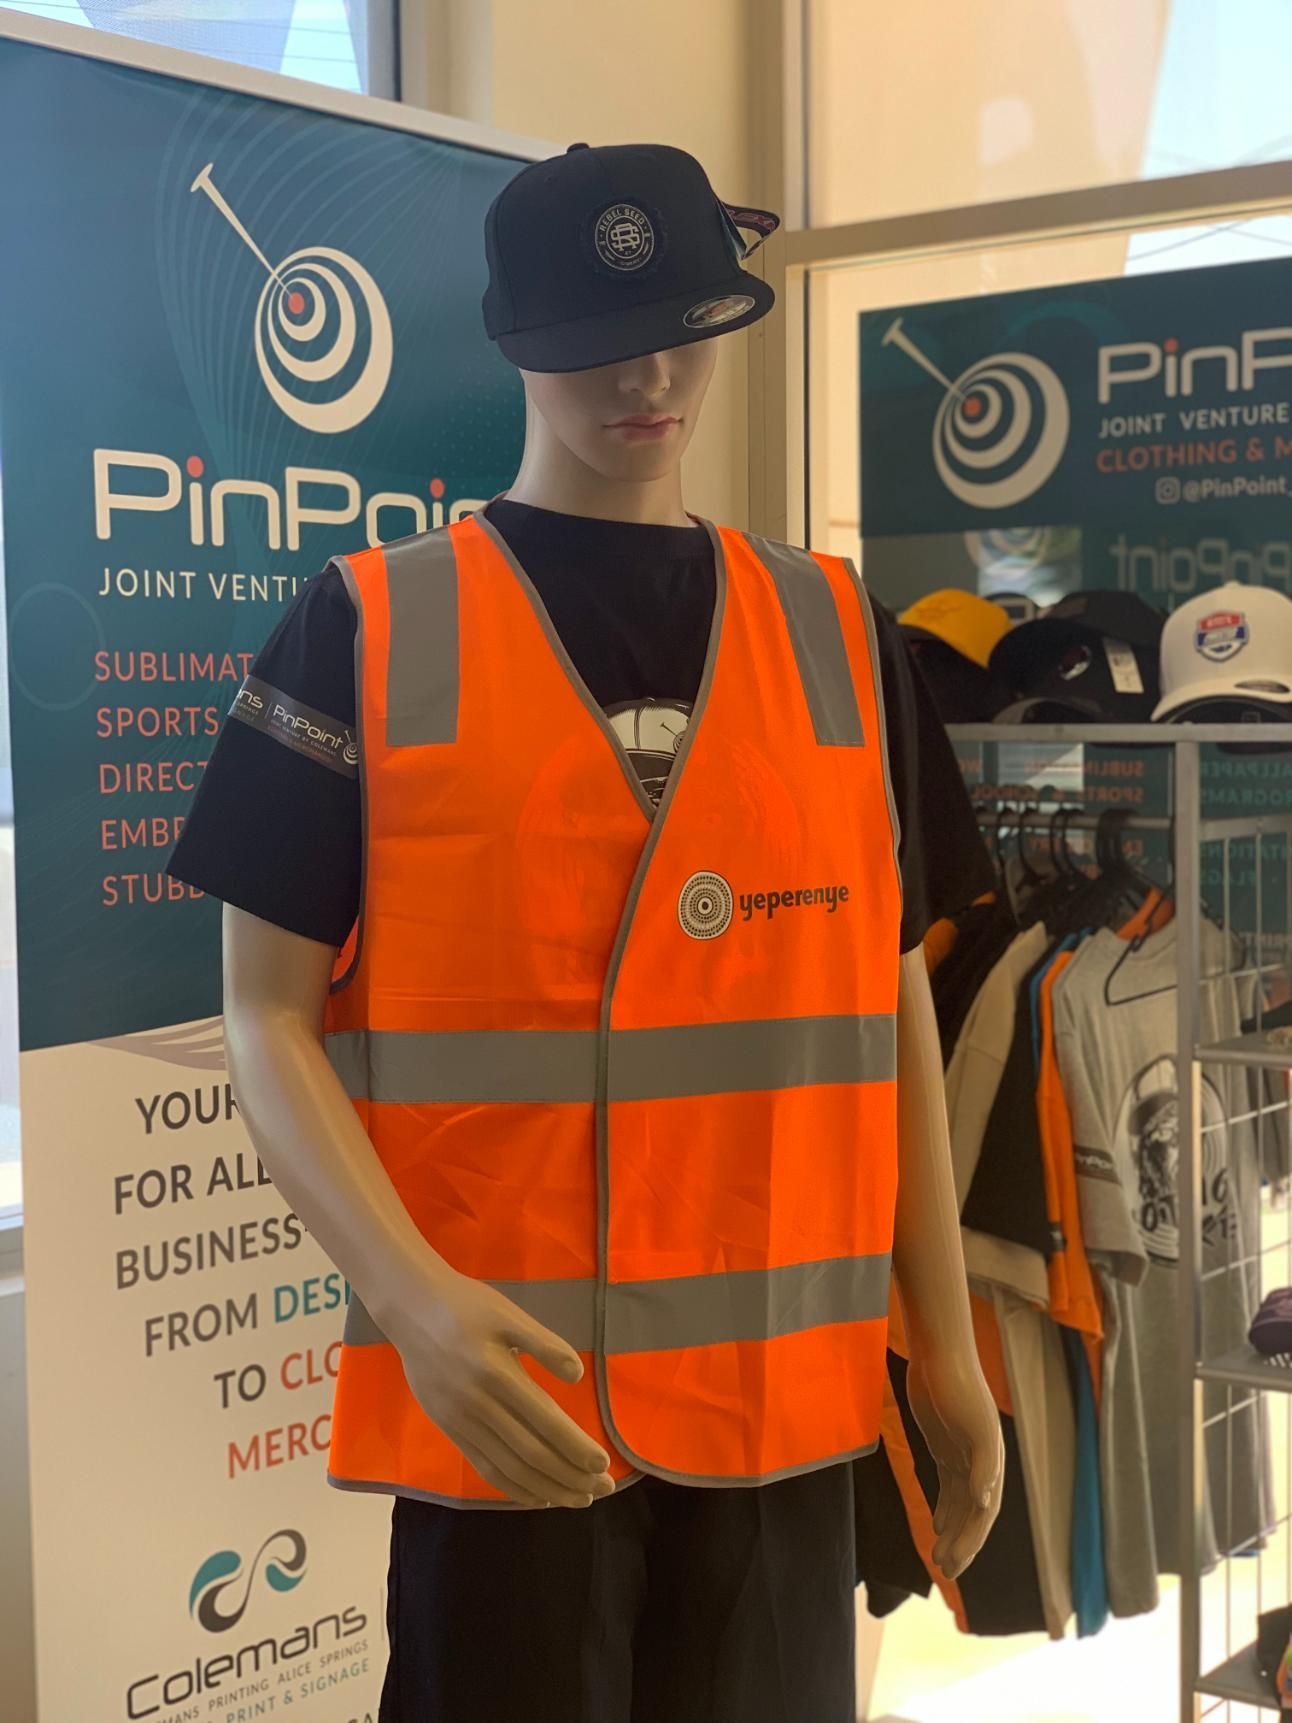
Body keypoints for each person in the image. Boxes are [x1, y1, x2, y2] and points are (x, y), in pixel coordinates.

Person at [167, 140, 1002, 1723]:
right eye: (596, 338)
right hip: (515, 1400)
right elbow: (261, 1017)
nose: (651, 374)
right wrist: (411, 1303)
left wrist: (944, 1344)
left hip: (782, 1402)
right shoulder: (364, 624)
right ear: (511, 337)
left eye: (686, 325)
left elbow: (885, 1000)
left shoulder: (838, 634)